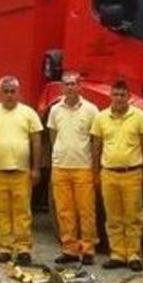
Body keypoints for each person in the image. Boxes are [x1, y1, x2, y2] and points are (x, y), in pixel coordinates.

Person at [0, 77, 43, 265]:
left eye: (13, 91)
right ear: (0, 93)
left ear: (18, 92)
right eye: (6, 91)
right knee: (0, 212)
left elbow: (36, 141)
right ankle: (4, 248)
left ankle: (23, 249)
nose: (9, 95)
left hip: (21, 171)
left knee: (22, 212)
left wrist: (35, 168)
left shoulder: (29, 113)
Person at [91, 80, 143, 271]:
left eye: (122, 95)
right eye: (115, 94)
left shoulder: (140, 116)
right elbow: (96, 146)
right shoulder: (101, 118)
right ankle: (117, 254)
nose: (118, 98)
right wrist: (95, 173)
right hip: (108, 173)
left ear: (129, 97)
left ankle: (133, 254)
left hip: (132, 173)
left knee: (132, 218)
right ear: (111, 96)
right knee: (113, 218)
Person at [47, 72, 98, 265]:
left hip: (83, 167)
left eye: (73, 84)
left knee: (86, 211)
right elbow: (53, 136)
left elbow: (95, 139)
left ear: (80, 86)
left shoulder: (91, 110)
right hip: (60, 167)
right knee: (64, 211)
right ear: (62, 87)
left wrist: (93, 166)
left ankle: (87, 249)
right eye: (66, 84)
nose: (70, 87)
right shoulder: (55, 110)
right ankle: (69, 249)